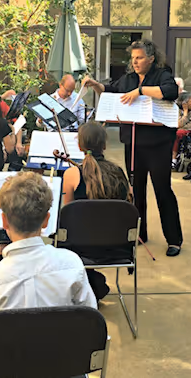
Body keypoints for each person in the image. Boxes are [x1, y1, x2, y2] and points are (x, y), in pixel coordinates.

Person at [83, 39, 183, 257]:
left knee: (162, 190)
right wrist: (95, 85)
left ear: (151, 58)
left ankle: (174, 239)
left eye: (139, 58)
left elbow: (171, 91)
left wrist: (140, 91)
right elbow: (111, 91)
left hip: (158, 145)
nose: (135, 62)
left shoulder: (162, 74)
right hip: (134, 143)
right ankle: (140, 233)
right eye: (133, 58)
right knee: (136, 191)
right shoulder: (128, 78)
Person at [0, 172, 97, 316]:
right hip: (63, 338)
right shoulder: (71, 262)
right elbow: (91, 315)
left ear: (4, 221)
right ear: (46, 220)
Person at [61, 122, 131, 300]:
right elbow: (129, 206)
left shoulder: (72, 175)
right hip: (117, 248)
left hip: (80, 248)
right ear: (105, 145)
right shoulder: (119, 172)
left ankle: (92, 284)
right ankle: (94, 282)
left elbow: (65, 216)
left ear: (79, 146)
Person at [172, 92, 191, 169]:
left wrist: (185, 114)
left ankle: (173, 158)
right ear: (184, 103)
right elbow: (178, 124)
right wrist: (185, 115)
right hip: (178, 130)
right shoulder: (177, 110)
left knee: (177, 133)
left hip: (188, 132)